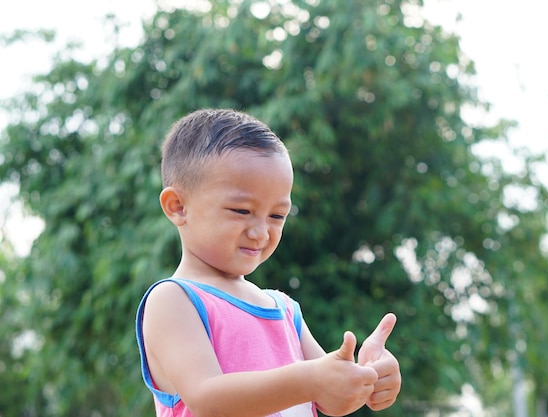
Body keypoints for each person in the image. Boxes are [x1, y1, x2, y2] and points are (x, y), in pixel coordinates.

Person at [136, 108, 401, 417]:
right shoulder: (174, 300)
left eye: (277, 215)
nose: (261, 232)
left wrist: (367, 378)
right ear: (178, 206)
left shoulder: (284, 309)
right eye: (241, 211)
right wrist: (308, 380)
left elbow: (328, 395)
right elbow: (208, 399)